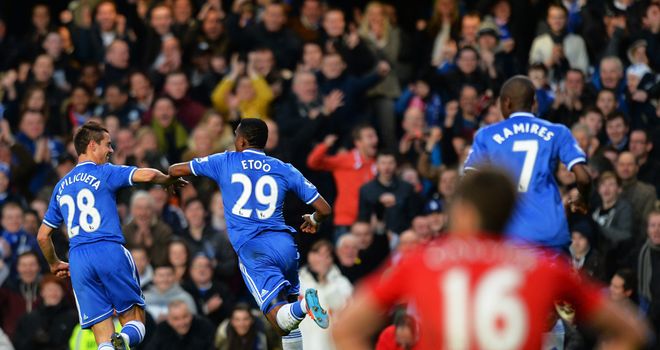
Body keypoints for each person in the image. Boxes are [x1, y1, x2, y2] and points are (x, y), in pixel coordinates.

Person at [333, 169, 648, 349]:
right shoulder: (542, 268)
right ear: (510, 213)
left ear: (464, 212)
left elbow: (345, 328)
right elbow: (632, 330)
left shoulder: (423, 261)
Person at [169, 118, 333, 350]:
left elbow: (175, 169)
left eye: (235, 134)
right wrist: (314, 220)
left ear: (242, 140)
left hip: (253, 249)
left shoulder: (225, 161)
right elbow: (325, 209)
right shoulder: (283, 168)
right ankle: (299, 307)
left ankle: (304, 304)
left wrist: (170, 180)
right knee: (287, 324)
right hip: (285, 244)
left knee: (277, 318)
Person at [36, 121, 186, 350]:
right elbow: (144, 176)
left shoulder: (60, 186)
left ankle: (111, 344)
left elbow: (42, 236)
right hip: (108, 249)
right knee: (135, 319)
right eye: (107, 145)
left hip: (78, 259)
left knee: (102, 337)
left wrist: (54, 263)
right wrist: (166, 179)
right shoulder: (104, 172)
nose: (111, 150)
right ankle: (124, 339)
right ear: (92, 145)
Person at [464, 75, 591, 249]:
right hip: (550, 234)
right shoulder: (558, 131)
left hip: (508, 236)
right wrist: (582, 199)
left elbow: (470, 182)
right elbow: (584, 178)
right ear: (534, 103)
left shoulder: (486, 135)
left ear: (506, 102)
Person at [145, 300, 215, 350]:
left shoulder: (204, 327)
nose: (182, 322)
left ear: (191, 315)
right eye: (176, 319)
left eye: (185, 316)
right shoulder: (161, 329)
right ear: (169, 320)